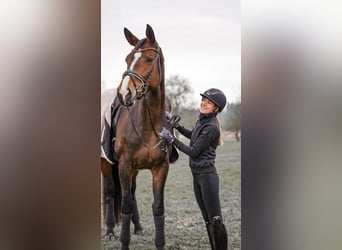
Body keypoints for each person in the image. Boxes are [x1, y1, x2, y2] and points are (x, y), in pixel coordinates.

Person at [159, 88, 228, 250]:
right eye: (203, 99)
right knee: (207, 219)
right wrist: (177, 126)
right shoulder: (202, 121)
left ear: (216, 108)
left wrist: (172, 139)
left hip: (207, 176)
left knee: (216, 219)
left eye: (209, 102)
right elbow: (194, 135)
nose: (203, 103)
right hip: (197, 176)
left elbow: (194, 151)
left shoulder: (211, 127)